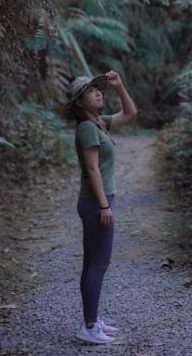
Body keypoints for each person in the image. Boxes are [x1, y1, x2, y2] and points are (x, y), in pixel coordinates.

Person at [60, 70, 137, 345]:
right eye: (90, 90)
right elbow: (92, 169)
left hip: (96, 201)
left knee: (92, 263)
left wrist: (119, 86)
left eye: (98, 88)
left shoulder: (98, 123)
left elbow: (129, 114)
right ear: (79, 102)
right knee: (99, 264)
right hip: (96, 201)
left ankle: (92, 319)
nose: (98, 92)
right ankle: (90, 326)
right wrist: (104, 206)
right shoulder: (87, 128)